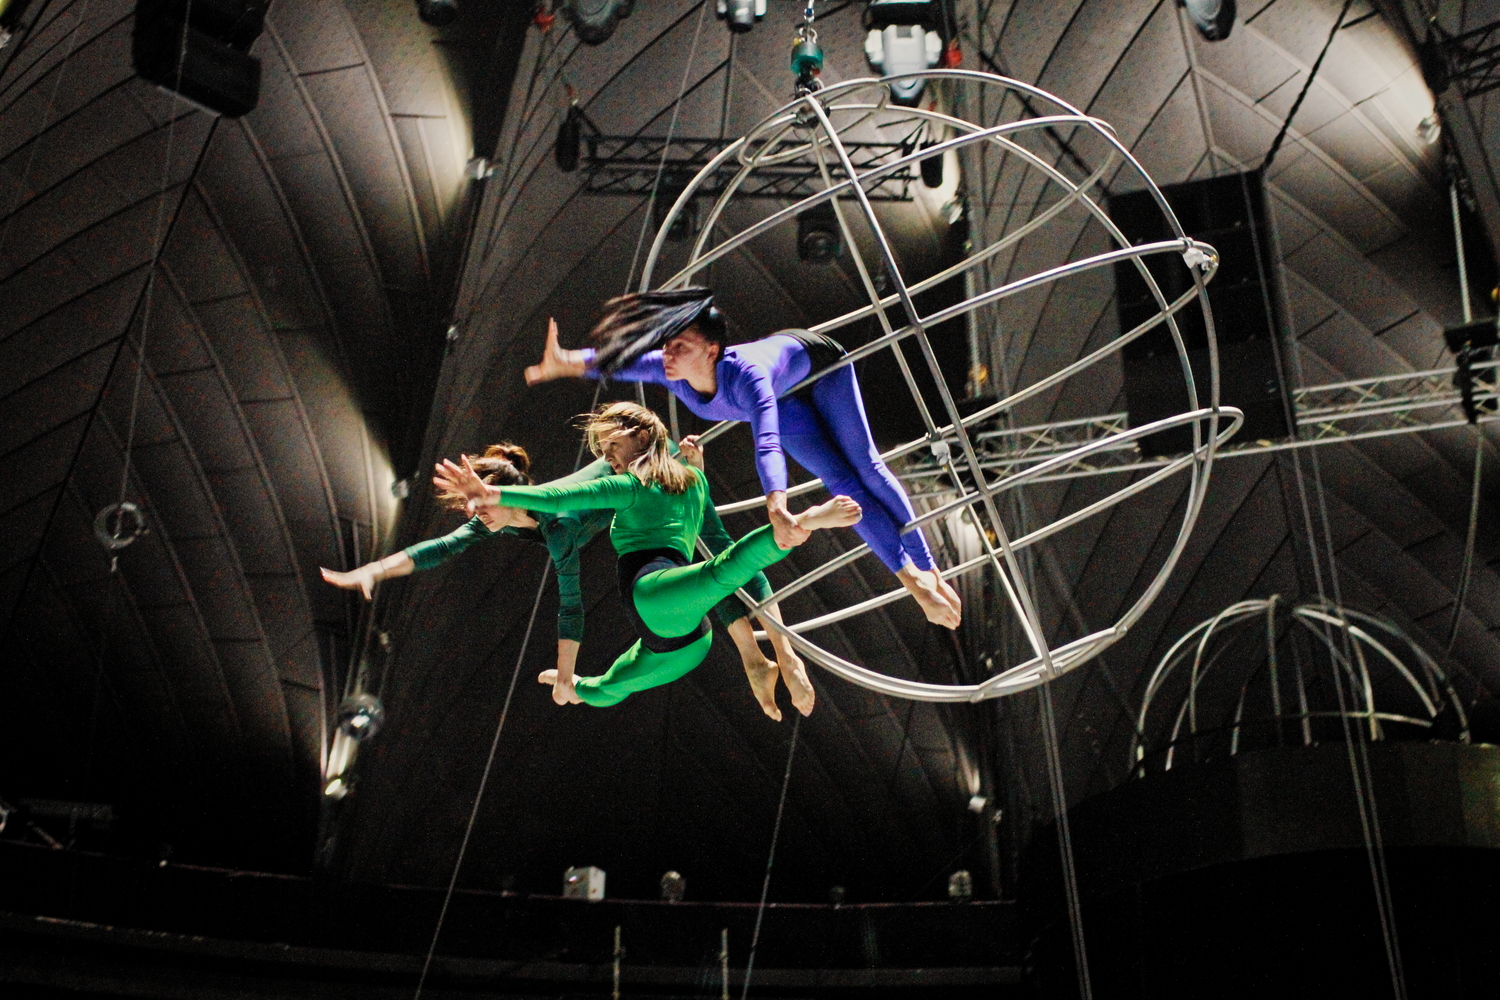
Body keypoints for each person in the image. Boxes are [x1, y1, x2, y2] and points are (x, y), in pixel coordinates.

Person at [523, 288, 962, 629]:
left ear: (712, 351)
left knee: (866, 467)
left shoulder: (748, 378)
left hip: (822, 368)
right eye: (669, 346)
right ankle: (913, 581)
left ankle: (929, 570)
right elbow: (621, 362)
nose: (669, 355)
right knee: (840, 481)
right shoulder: (672, 371)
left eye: (682, 348)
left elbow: (766, 441)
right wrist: (566, 361)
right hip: (785, 395)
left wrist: (776, 503)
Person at [323, 439, 813, 720]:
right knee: (705, 564)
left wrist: (565, 676)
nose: (474, 515)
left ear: (508, 495)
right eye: (470, 508)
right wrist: (374, 569)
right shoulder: (500, 518)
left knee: (714, 552)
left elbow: (571, 604)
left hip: (653, 480)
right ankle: (755, 659)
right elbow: (441, 547)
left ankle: (779, 654)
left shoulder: (553, 522)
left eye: (480, 503)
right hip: (636, 505)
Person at [443, 401, 860, 709]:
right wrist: (570, 682)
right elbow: (724, 552)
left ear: (642, 437)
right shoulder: (693, 480)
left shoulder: (633, 487)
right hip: (684, 645)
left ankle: (799, 523)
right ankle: (757, 662)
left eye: (611, 447)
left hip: (655, 596)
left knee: (720, 571)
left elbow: (556, 496)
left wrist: (494, 492)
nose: (607, 459)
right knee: (608, 688)